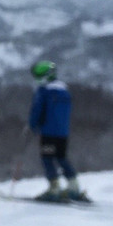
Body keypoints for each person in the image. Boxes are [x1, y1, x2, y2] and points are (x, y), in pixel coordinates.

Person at [28, 61, 88, 202]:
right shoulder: (65, 92)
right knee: (61, 157)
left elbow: (37, 110)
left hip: (48, 134)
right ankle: (74, 186)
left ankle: (54, 188)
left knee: (47, 158)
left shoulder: (43, 91)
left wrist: (32, 125)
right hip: (62, 134)